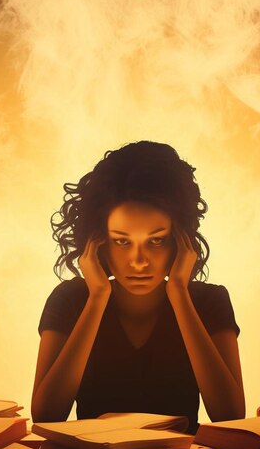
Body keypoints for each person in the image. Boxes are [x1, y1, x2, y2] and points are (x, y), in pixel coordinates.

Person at [32, 141, 245, 434]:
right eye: (122, 241)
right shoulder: (70, 299)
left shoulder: (210, 301)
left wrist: (180, 294)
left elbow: (230, 417)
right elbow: (46, 416)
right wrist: (97, 299)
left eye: (156, 240)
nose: (139, 261)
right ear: (100, 242)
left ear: (179, 240)